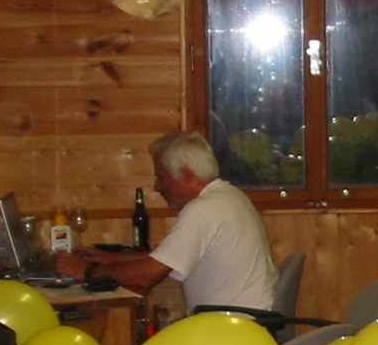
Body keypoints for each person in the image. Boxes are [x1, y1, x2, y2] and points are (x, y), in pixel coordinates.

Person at [54, 130, 276, 313]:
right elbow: (168, 258)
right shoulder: (228, 196)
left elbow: (146, 276)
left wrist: (87, 272)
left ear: (186, 175)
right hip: (243, 323)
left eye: (161, 176)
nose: (156, 186)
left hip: (230, 330)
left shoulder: (204, 209)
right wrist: (112, 259)